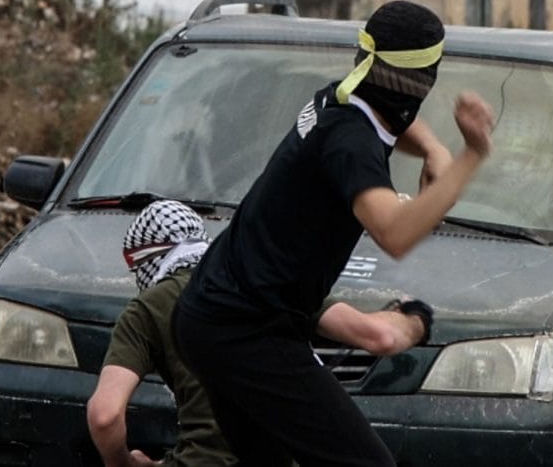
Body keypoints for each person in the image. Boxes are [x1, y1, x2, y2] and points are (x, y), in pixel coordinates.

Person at [174, 0, 495, 466]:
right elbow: (394, 233)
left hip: (212, 316)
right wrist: (472, 155)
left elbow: (394, 122)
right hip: (247, 332)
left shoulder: (343, 100)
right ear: (422, 79)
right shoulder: (351, 140)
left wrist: (433, 147)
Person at [87, 200, 435, 467]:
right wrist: (415, 317)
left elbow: (105, 415)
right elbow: (376, 335)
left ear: (146, 260)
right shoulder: (264, 278)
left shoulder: (147, 308)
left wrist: (122, 463)